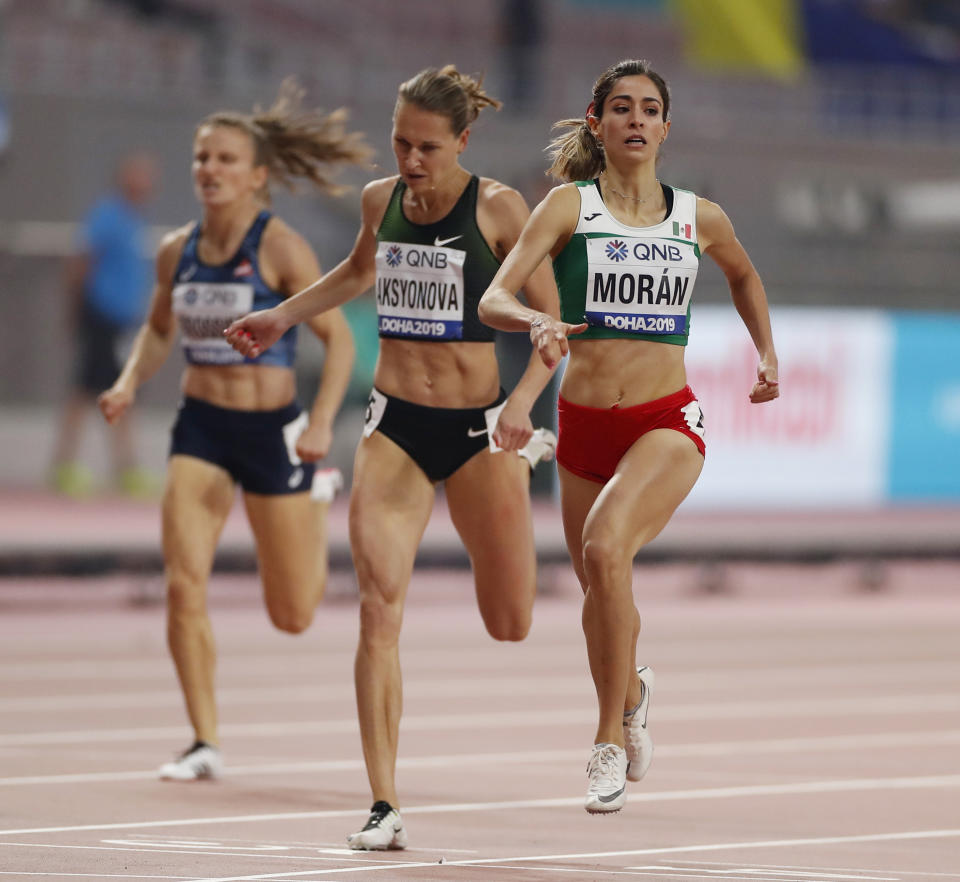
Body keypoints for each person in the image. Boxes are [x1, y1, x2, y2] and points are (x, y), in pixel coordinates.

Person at [225, 65, 560, 850]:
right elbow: (355, 271)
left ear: (462, 143)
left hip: (482, 433)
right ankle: (383, 801)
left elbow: (552, 325)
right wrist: (281, 316)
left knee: (510, 622)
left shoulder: (501, 210)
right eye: (401, 143)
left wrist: (519, 407)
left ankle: (526, 462)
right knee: (378, 610)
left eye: (429, 148)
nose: (412, 161)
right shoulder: (381, 201)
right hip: (395, 430)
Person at [478, 59, 780, 814]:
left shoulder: (697, 216)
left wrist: (766, 351)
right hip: (580, 424)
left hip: (665, 421)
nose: (636, 120)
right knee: (598, 590)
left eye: (649, 109)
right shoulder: (567, 208)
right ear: (597, 121)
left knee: (607, 550)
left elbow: (743, 275)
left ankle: (606, 739)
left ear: (665, 128)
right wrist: (535, 319)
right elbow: (494, 296)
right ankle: (634, 684)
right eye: (621, 108)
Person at [98, 81, 370, 781]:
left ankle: (315, 496)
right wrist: (130, 382)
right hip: (203, 429)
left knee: (294, 615)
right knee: (182, 584)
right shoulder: (175, 251)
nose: (209, 170)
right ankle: (203, 739)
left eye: (224, 159)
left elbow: (338, 344)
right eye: (200, 158)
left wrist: (318, 425)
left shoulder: (281, 248)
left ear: (256, 176)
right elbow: (159, 333)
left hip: (274, 432)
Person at [50, 151, 159, 498]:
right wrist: (76, 311)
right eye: (137, 175)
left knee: (124, 394)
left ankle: (125, 467)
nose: (144, 183)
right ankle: (64, 465)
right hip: (101, 318)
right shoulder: (107, 216)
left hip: (124, 323)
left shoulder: (133, 220)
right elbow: (82, 260)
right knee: (85, 390)